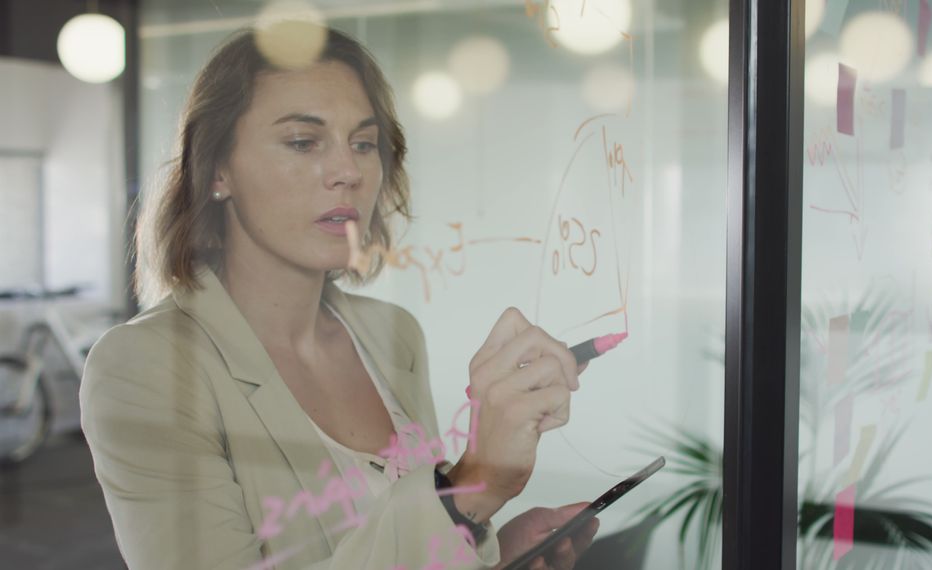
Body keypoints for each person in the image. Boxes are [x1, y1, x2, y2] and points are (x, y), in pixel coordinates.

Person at [80, 25, 598, 570]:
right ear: (217, 170)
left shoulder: (392, 335)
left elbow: (411, 541)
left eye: (364, 143)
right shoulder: (145, 367)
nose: (349, 172)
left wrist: (487, 550)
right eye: (304, 142)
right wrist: (469, 491)